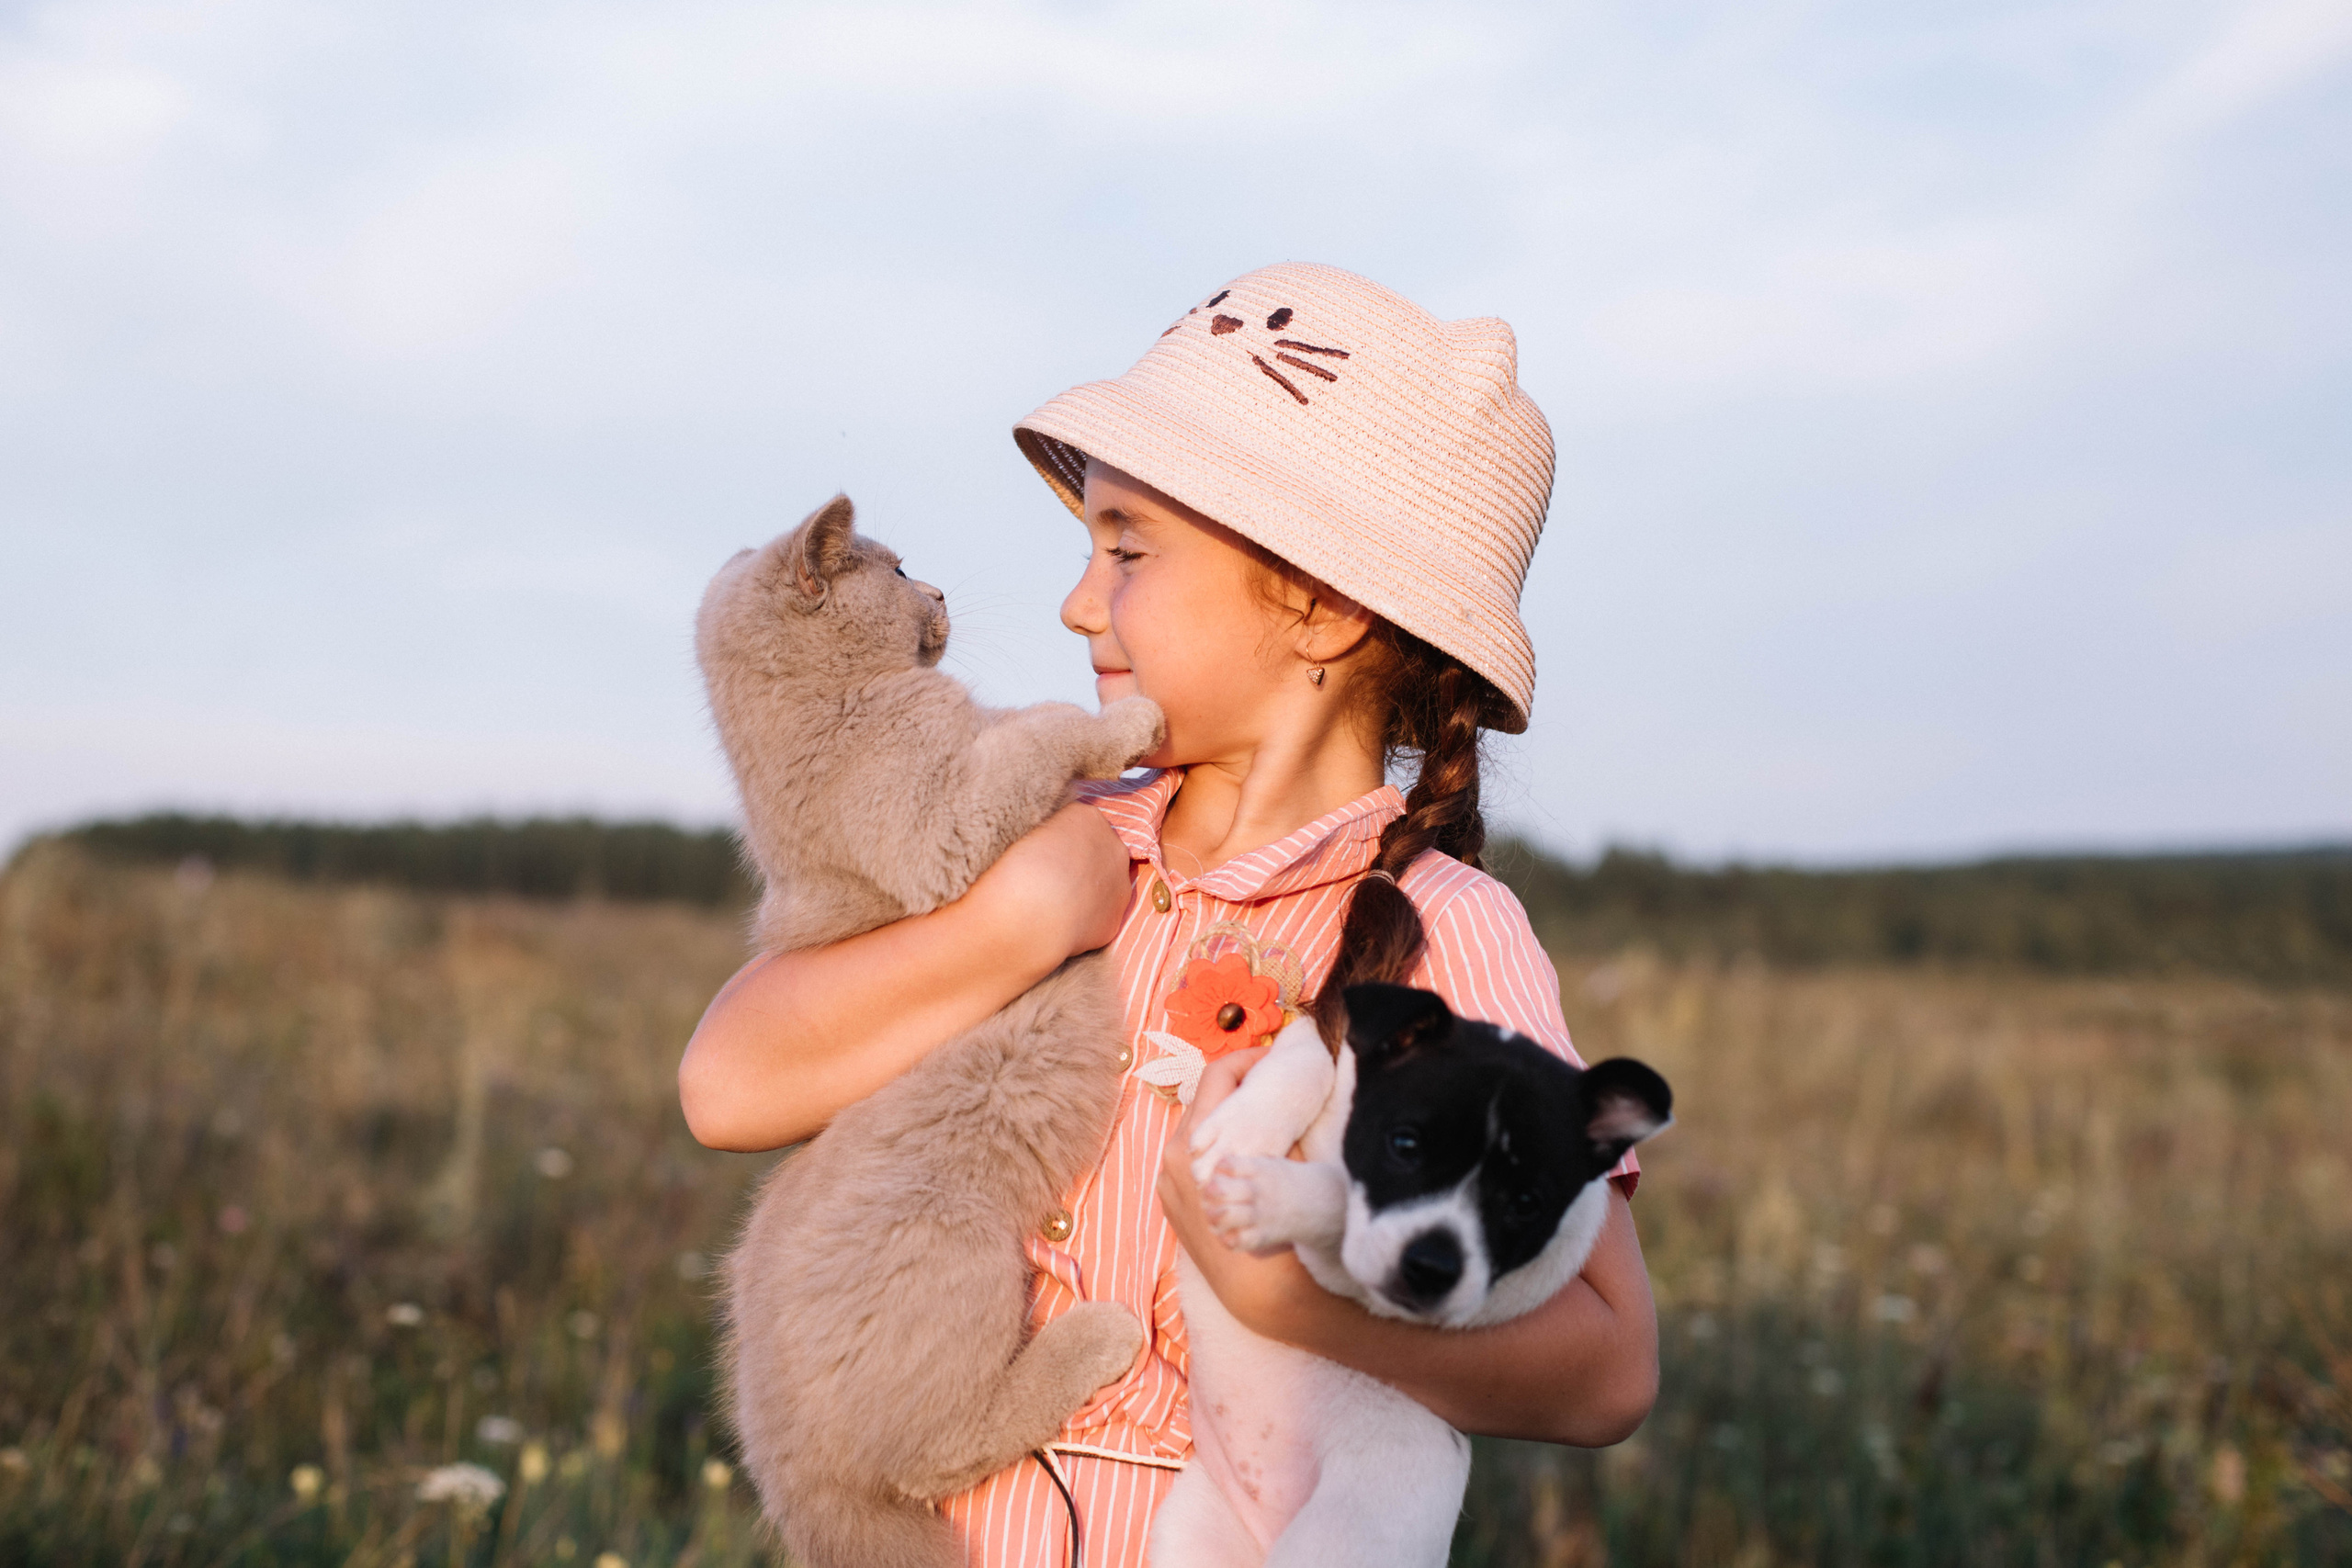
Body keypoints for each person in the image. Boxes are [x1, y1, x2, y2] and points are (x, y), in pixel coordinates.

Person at [679, 262, 1657, 1567]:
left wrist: (1290, 1308)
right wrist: (1010, 923)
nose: (1080, 603)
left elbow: (1606, 1370)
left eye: (1127, 549)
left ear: (1320, 603)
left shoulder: (1446, 933)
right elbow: (728, 1088)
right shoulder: (1037, 836)